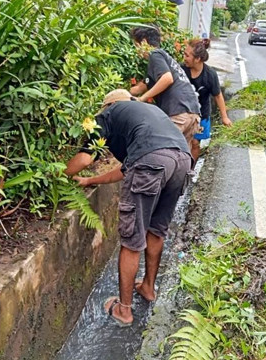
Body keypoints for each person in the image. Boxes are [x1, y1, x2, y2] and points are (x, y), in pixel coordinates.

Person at [65, 89, 192, 327]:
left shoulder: (109, 114)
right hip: (182, 160)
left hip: (153, 161)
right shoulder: (149, 113)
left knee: (131, 238)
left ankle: (124, 310)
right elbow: (129, 169)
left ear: (109, 105)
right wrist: (90, 181)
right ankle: (148, 288)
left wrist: (54, 176)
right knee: (156, 230)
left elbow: (84, 159)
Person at [128, 26, 201, 150]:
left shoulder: (155, 54)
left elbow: (167, 79)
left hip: (178, 113)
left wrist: (142, 99)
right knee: (179, 157)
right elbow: (143, 85)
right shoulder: (164, 59)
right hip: (192, 114)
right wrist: (124, 93)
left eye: (136, 45)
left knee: (157, 151)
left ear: (144, 42)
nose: (137, 50)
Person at [182, 38, 232, 162]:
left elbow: (218, 96)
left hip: (201, 115)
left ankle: (190, 170)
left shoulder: (210, 75)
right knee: (181, 143)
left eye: (187, 55)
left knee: (195, 143)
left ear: (197, 59)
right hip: (183, 113)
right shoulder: (181, 70)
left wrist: (224, 117)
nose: (184, 58)